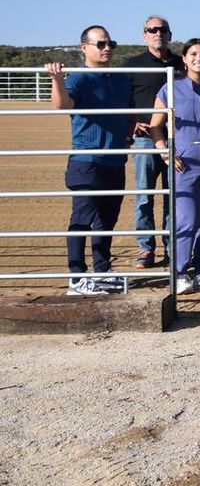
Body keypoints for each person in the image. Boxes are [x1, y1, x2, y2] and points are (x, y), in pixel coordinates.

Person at [46, 26, 132, 296]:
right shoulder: (79, 78)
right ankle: (77, 276)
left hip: (115, 160)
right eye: (101, 44)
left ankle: (102, 271)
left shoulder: (120, 79)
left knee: (107, 219)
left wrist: (127, 136)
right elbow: (62, 106)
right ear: (84, 47)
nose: (107, 48)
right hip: (87, 159)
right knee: (83, 217)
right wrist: (57, 80)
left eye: (111, 43)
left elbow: (129, 113)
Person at [147, 39, 200, 294]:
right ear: (184, 58)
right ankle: (179, 271)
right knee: (187, 221)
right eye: (193, 54)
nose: (199, 58)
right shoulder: (171, 89)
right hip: (184, 165)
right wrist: (166, 153)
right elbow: (155, 125)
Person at [122, 15, 182, 269]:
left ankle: (172, 248)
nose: (158, 33)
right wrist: (131, 122)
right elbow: (122, 100)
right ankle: (145, 248)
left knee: (174, 196)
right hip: (145, 140)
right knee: (145, 194)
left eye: (162, 30)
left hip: (176, 139)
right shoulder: (132, 65)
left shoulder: (181, 64)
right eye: (152, 30)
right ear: (144, 35)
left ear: (169, 34)